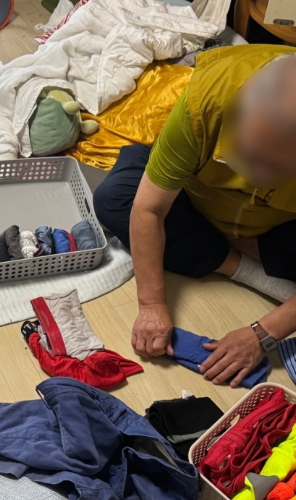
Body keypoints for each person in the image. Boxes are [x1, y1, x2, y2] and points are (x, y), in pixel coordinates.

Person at [94, 44, 296, 388]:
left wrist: (262, 334)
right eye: (251, 156)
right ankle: (244, 264)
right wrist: (151, 304)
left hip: (277, 221)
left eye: (278, 168)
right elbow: (149, 208)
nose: (259, 176)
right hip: (196, 196)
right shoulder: (206, 101)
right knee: (116, 199)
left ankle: (229, 246)